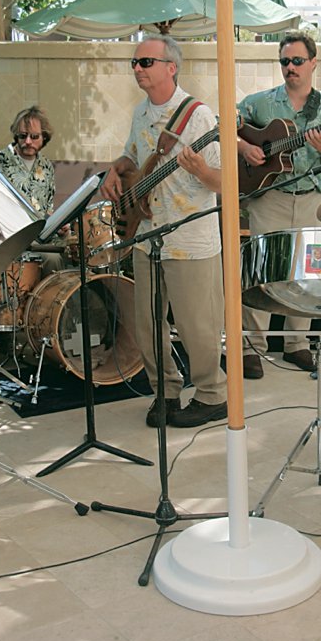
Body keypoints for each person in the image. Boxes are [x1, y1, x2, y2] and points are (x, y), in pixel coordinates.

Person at [99, 34, 227, 429]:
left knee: (196, 324)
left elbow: (224, 181)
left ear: (171, 67)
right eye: (135, 63)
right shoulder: (140, 113)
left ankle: (212, 395)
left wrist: (199, 171)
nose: (138, 68)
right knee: (148, 322)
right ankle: (165, 391)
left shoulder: (200, 117)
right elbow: (134, 156)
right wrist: (114, 168)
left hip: (189, 238)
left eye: (146, 62)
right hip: (148, 233)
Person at [235, 31, 321, 377]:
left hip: (312, 199)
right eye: (285, 61)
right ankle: (253, 347)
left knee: (310, 272)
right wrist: (243, 148)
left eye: (297, 61)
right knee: (261, 270)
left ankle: (297, 343)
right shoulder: (260, 103)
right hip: (271, 197)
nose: (291, 67)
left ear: (313, 63)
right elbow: (224, 125)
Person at [0, 105, 57, 217]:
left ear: (44, 137)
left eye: (34, 136)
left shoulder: (46, 166)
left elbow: (48, 209)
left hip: (39, 232)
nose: (28, 141)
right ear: (16, 136)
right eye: (23, 136)